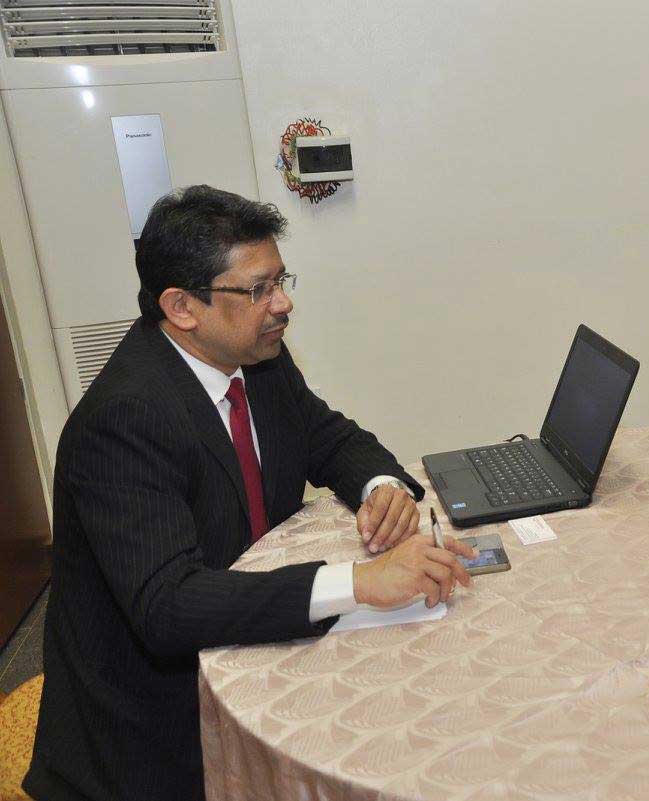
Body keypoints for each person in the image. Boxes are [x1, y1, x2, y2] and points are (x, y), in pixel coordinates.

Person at [25, 186, 476, 801]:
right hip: (156, 731)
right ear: (183, 307)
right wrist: (359, 582)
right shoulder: (125, 418)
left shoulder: (254, 355)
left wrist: (383, 485)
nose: (283, 304)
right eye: (258, 289)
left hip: (250, 638)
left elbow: (326, 435)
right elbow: (168, 605)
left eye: (282, 280)